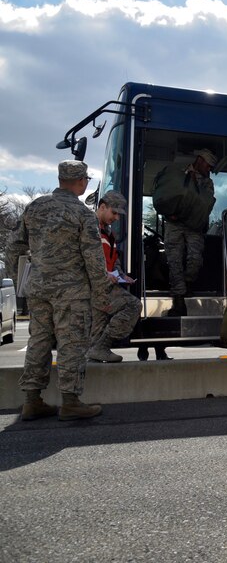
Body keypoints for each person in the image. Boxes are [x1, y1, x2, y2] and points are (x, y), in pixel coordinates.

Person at [6, 160, 111, 421]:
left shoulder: (35, 207)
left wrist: (19, 280)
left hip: (39, 290)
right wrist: (101, 295)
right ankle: (71, 402)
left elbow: (13, 247)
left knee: (39, 342)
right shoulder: (82, 213)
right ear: (80, 181)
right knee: (71, 344)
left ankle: (32, 401)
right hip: (72, 292)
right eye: (85, 179)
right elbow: (94, 259)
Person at [160, 148, 217, 316]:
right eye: (209, 165)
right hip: (174, 223)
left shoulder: (207, 183)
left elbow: (204, 202)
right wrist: (169, 212)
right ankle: (178, 299)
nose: (210, 169)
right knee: (174, 261)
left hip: (194, 225)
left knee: (195, 259)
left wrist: (193, 181)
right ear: (200, 160)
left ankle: (186, 284)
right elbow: (167, 194)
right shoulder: (178, 173)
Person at [87, 191, 142, 363]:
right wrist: (105, 275)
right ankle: (101, 347)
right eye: (114, 212)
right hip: (96, 286)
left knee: (96, 333)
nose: (117, 217)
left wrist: (120, 274)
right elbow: (85, 258)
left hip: (104, 284)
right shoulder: (89, 228)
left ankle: (95, 354)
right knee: (133, 306)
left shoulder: (108, 232)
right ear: (102, 207)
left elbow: (112, 258)